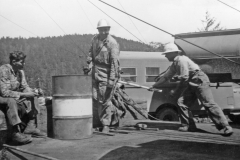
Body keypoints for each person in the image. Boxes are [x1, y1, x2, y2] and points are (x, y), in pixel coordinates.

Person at [149, 43, 233, 136]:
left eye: (167, 54)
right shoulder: (175, 64)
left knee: (208, 103)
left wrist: (176, 91)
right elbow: (166, 77)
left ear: (173, 53)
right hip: (191, 82)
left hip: (200, 80)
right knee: (181, 103)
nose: (165, 56)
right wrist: (154, 85)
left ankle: (226, 127)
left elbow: (184, 77)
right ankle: (188, 125)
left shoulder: (181, 60)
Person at [0, 51, 47, 145]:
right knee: (11, 101)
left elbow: (24, 87)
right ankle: (15, 132)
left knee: (33, 95)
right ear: (14, 62)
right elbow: (4, 93)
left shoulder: (20, 72)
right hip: (2, 96)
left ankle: (30, 126)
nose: (24, 64)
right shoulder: (3, 70)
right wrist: (25, 95)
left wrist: (34, 92)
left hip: (13, 95)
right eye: (22, 62)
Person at [85, 19, 120, 133]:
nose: (105, 32)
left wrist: (111, 79)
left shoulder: (112, 43)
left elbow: (115, 63)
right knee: (95, 98)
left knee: (104, 100)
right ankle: (100, 121)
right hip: (95, 72)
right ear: (98, 30)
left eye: (107, 29)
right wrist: (89, 62)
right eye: (102, 30)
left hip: (107, 73)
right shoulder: (95, 39)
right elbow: (91, 52)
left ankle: (106, 125)